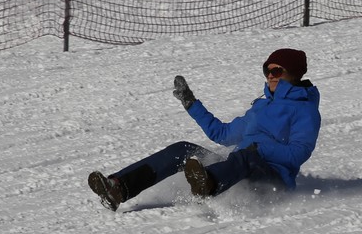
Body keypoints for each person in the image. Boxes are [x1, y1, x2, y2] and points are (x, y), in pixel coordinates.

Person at [87, 48, 322, 211]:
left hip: (272, 180)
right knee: (182, 149)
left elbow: (298, 153)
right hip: (237, 169)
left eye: (277, 71)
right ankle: (118, 188)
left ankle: (207, 184)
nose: (270, 76)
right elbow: (222, 134)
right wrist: (191, 104)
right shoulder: (261, 107)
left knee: (246, 157)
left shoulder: (305, 110)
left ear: (294, 73)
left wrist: (259, 149)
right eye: (267, 71)